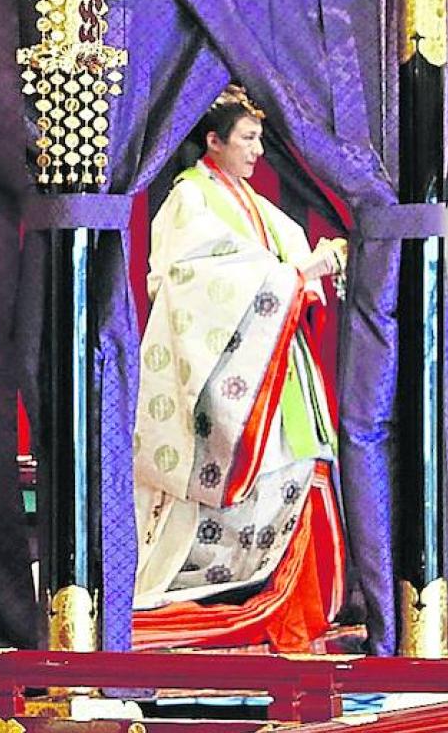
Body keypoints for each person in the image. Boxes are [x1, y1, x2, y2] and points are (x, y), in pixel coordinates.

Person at [130, 85, 346, 652]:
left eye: (259, 139)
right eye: (247, 138)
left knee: (298, 474)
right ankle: (229, 615)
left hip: (276, 362)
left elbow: (285, 260)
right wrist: (296, 276)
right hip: (230, 373)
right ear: (213, 141)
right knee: (244, 490)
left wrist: (305, 272)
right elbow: (187, 277)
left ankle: (293, 621)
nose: (257, 151)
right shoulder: (189, 199)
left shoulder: (254, 204)